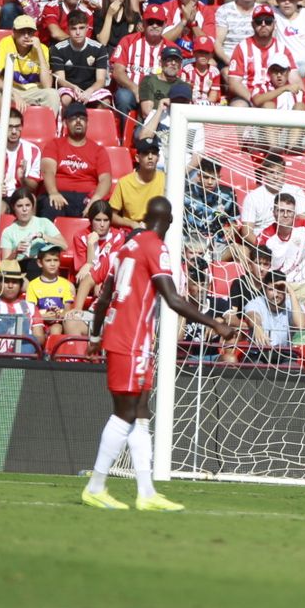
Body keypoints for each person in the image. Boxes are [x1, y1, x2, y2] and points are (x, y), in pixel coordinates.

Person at [84, 197, 230, 511]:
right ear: (170, 221)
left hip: (124, 336)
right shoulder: (155, 247)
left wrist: (95, 334)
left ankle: (146, 492)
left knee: (140, 411)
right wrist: (215, 324)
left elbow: (103, 296)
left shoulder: (126, 246)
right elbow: (173, 299)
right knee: (124, 413)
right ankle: (95, 486)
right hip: (130, 339)